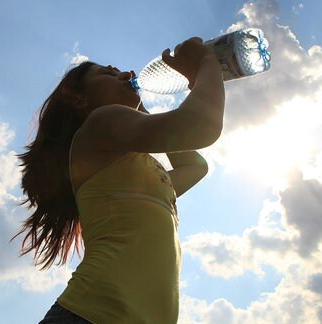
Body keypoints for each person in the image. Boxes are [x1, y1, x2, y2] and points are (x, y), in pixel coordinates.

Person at [14, 37, 225, 323]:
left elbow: (196, 166)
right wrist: (205, 63)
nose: (126, 74)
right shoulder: (100, 123)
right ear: (79, 99)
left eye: (122, 72)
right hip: (90, 315)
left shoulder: (140, 177)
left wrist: (145, 111)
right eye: (108, 73)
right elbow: (200, 127)